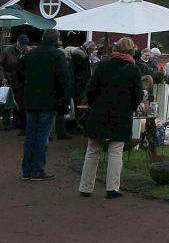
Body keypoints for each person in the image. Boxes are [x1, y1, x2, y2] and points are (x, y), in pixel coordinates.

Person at [77, 37, 142, 198]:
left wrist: (94, 104)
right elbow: (138, 95)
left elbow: (90, 89)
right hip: (121, 113)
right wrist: (131, 107)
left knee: (92, 150)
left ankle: (85, 187)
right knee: (116, 151)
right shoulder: (133, 70)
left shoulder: (103, 65)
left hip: (99, 111)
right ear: (132, 51)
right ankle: (112, 188)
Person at [20, 29, 70, 181]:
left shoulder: (30, 55)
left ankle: (26, 170)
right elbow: (63, 79)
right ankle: (37, 170)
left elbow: (20, 74)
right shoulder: (57, 55)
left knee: (30, 136)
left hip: (31, 100)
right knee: (42, 136)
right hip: (49, 101)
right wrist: (65, 100)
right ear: (57, 39)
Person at [1, 34, 31, 131]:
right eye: (21, 44)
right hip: (9, 79)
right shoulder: (7, 51)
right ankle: (6, 122)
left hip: (22, 81)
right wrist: (3, 78)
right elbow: (0, 66)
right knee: (6, 101)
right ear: (17, 41)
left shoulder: (29, 50)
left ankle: (17, 122)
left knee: (20, 101)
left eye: (25, 45)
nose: (23, 46)